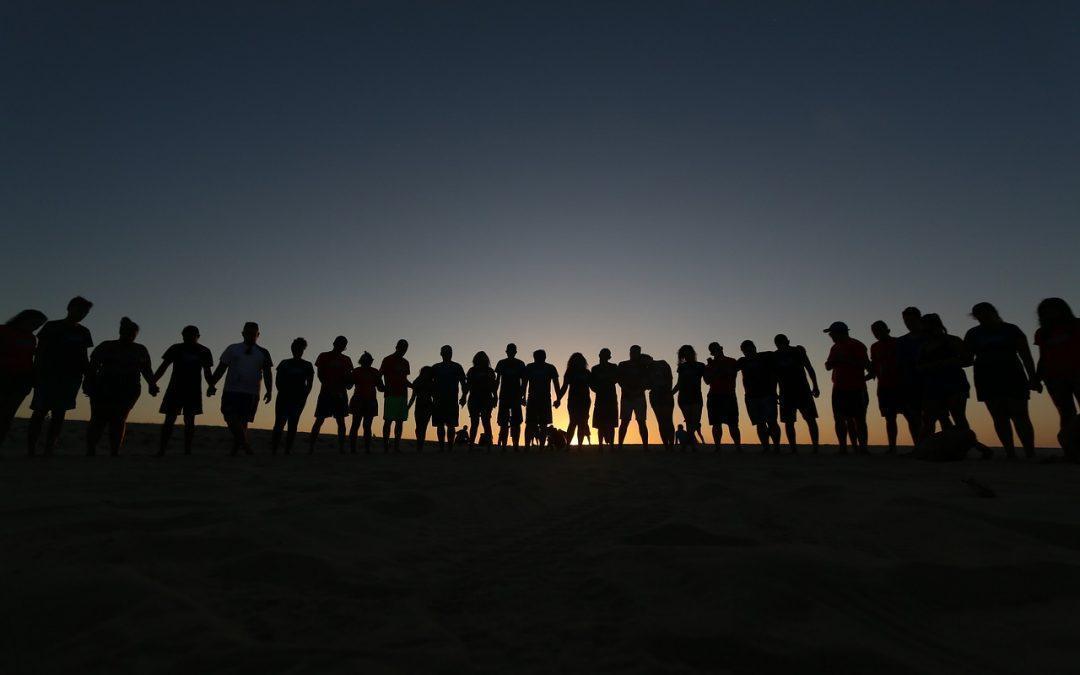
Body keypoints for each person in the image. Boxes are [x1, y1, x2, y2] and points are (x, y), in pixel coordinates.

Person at [964, 302, 1039, 459]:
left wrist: (1033, 377)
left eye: (986, 313)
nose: (983, 317)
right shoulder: (973, 333)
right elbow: (967, 358)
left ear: (994, 312)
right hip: (986, 378)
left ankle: (1030, 453)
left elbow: (1025, 355)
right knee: (999, 417)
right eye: (979, 314)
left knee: (1020, 415)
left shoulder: (1011, 330)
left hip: (1013, 376)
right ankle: (1010, 453)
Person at [28, 296, 93, 455]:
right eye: (79, 309)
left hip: (71, 378)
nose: (81, 313)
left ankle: (49, 448)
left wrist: (88, 377)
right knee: (40, 411)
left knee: (59, 413)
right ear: (69, 308)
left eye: (84, 312)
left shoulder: (83, 332)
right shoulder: (52, 326)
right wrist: (36, 373)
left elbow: (84, 356)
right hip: (48, 375)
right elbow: (40, 351)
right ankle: (31, 448)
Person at [84, 317, 158, 455]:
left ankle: (114, 451)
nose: (129, 336)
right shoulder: (106, 346)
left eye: (132, 334)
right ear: (120, 332)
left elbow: (146, 369)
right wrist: (88, 382)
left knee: (118, 419)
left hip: (128, 389)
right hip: (104, 387)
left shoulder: (140, 349)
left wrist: (152, 384)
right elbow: (93, 366)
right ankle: (91, 449)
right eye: (127, 333)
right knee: (99, 419)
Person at [209, 322, 273, 455]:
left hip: (251, 392)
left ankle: (235, 450)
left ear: (258, 335)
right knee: (230, 417)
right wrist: (212, 383)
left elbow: (267, 373)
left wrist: (269, 390)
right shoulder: (233, 349)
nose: (250, 336)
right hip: (231, 390)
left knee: (243, 422)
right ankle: (246, 446)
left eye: (253, 333)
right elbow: (221, 368)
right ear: (243, 333)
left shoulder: (263, 352)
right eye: (247, 333)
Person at [154, 325, 214, 456]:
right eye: (186, 336)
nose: (188, 338)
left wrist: (211, 385)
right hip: (175, 388)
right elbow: (163, 366)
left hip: (192, 390)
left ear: (197, 336)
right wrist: (153, 381)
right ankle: (162, 449)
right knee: (170, 419)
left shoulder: (204, 351)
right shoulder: (175, 348)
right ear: (182, 336)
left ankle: (187, 450)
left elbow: (207, 371)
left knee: (189, 420)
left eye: (191, 336)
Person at [1033, 297, 1080, 460]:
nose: (1049, 314)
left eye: (1053, 309)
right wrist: (1036, 378)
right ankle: (1070, 451)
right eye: (1045, 311)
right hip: (1054, 377)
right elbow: (1043, 357)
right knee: (1066, 413)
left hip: (1077, 373)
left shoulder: (1077, 326)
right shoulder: (1042, 333)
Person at [916, 314, 972, 439]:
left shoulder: (953, 341)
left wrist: (949, 362)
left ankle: (965, 445)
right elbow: (919, 367)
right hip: (933, 385)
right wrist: (931, 366)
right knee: (930, 418)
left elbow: (968, 360)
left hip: (955, 383)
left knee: (958, 416)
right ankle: (924, 448)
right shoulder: (924, 347)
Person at [0, 309, 47, 447]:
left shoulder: (31, 338)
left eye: (38, 325)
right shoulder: (3, 331)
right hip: (3, 376)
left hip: (21, 380)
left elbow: (29, 359)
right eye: (34, 323)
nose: (35, 327)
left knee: (7, 415)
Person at [824, 322, 871, 454]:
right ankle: (843, 447)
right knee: (839, 418)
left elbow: (867, 365)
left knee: (859, 419)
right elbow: (828, 366)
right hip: (839, 387)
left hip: (856, 388)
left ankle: (862, 448)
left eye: (832, 333)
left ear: (840, 333)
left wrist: (847, 361)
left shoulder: (857, 345)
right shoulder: (835, 348)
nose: (831, 336)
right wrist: (833, 362)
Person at [773, 334, 821, 453]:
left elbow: (809, 368)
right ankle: (795, 448)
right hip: (788, 392)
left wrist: (815, 385)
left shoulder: (798, 351)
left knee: (809, 419)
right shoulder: (776, 356)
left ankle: (813, 447)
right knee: (791, 421)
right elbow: (774, 376)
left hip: (801, 390)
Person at [309, 336, 354, 454]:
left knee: (341, 421)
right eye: (339, 343)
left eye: (343, 344)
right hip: (326, 393)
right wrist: (330, 387)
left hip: (340, 394)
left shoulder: (347, 360)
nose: (341, 345)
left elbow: (349, 378)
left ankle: (341, 448)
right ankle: (311, 447)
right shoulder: (323, 356)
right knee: (319, 420)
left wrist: (348, 383)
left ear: (344, 347)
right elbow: (320, 375)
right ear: (334, 343)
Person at [271, 338, 314, 454]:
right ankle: (274, 449)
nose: (297, 350)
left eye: (300, 348)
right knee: (279, 422)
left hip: (298, 398)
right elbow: (278, 381)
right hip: (284, 397)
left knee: (293, 423)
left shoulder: (307, 365)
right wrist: (284, 392)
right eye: (295, 348)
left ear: (303, 350)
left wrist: (304, 395)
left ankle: (287, 450)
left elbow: (310, 384)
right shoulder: (284, 363)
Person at [737, 340, 780, 452]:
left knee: (772, 422)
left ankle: (776, 446)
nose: (748, 351)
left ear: (754, 347)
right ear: (743, 351)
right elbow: (730, 369)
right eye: (745, 350)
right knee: (760, 423)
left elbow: (777, 361)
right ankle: (766, 447)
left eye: (749, 348)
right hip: (751, 396)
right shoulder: (742, 361)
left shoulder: (766, 356)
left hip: (768, 395)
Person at [868, 321, 904, 453]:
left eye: (879, 330)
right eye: (874, 331)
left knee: (910, 415)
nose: (877, 334)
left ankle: (918, 444)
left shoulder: (898, 343)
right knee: (889, 417)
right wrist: (868, 375)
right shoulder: (875, 347)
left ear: (886, 330)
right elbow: (874, 365)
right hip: (883, 386)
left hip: (900, 385)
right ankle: (892, 447)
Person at [894, 306, 926, 444]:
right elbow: (899, 365)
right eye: (906, 321)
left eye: (912, 320)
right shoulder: (901, 341)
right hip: (909, 383)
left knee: (940, 415)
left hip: (931, 382)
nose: (909, 323)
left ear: (919, 319)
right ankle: (918, 445)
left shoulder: (929, 338)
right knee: (912, 416)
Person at [705, 342, 741, 452]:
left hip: (728, 394)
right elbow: (707, 380)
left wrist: (717, 368)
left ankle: (738, 447)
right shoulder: (710, 365)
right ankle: (717, 447)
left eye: (717, 349)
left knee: (733, 423)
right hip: (715, 395)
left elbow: (732, 374)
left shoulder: (731, 361)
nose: (716, 351)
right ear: (712, 352)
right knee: (716, 423)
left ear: (721, 348)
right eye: (713, 350)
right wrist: (714, 369)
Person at [431, 345, 468, 451]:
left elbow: (463, 383)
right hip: (439, 399)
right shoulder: (436, 367)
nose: (447, 354)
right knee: (441, 425)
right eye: (445, 352)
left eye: (448, 352)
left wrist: (464, 396)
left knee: (449, 425)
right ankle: (443, 447)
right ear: (441, 354)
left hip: (451, 400)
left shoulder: (457, 367)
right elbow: (429, 382)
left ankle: (448, 447)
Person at [522, 349, 561, 448]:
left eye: (541, 357)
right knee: (531, 423)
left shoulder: (550, 368)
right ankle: (528, 446)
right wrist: (522, 396)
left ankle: (541, 447)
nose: (539, 359)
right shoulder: (529, 367)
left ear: (544, 357)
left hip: (544, 399)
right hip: (533, 399)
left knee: (542, 424)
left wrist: (558, 398)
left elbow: (556, 384)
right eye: (537, 357)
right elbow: (525, 383)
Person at [616, 345, 651, 451]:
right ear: (630, 352)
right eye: (632, 351)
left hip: (639, 396)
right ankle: (620, 446)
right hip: (627, 397)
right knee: (624, 422)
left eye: (636, 352)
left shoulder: (643, 366)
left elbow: (646, 380)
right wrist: (628, 390)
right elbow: (619, 380)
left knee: (641, 422)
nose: (633, 353)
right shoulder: (623, 365)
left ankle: (645, 446)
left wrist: (638, 391)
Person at [379, 339, 411, 452]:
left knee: (399, 421)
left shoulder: (405, 362)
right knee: (388, 420)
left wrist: (413, 386)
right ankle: (385, 446)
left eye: (405, 348)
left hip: (402, 395)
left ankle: (396, 446)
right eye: (402, 347)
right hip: (391, 394)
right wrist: (382, 387)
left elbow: (404, 379)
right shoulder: (387, 360)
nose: (404, 349)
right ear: (396, 346)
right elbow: (380, 374)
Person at [348, 351, 383, 453]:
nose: (368, 363)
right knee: (357, 425)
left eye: (369, 361)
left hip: (369, 401)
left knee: (365, 426)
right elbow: (349, 386)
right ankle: (354, 449)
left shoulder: (374, 372)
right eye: (366, 361)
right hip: (359, 400)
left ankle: (365, 449)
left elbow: (380, 388)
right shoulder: (357, 371)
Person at [673, 345, 706, 449]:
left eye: (689, 353)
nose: (687, 356)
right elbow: (679, 383)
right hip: (684, 397)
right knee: (689, 422)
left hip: (696, 397)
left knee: (695, 422)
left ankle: (689, 443)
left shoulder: (701, 366)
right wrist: (670, 394)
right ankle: (692, 446)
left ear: (692, 353)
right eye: (685, 354)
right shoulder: (682, 367)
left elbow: (707, 380)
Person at [494, 344, 526, 449]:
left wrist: (523, 396)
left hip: (515, 396)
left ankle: (515, 445)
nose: (511, 353)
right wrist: (494, 395)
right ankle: (504, 445)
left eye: (512, 351)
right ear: (507, 352)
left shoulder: (520, 364)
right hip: (504, 396)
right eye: (509, 351)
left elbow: (524, 382)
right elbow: (497, 380)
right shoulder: (501, 363)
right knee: (504, 423)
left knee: (516, 423)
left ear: (515, 352)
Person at [557, 352, 591, 448]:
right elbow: (564, 387)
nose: (578, 362)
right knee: (573, 422)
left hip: (585, 400)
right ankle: (568, 445)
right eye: (576, 360)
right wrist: (558, 399)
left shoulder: (587, 373)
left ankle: (580, 446)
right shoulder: (569, 372)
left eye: (579, 360)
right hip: (573, 401)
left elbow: (593, 386)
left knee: (582, 423)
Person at [465, 351, 497, 450]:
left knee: (484, 422)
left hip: (485, 398)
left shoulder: (489, 371)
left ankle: (487, 445)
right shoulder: (472, 371)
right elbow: (468, 385)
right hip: (475, 398)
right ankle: (472, 445)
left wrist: (495, 397)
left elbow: (493, 386)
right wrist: (463, 396)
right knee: (477, 422)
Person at [590, 348, 619, 449]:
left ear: (609, 357)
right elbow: (591, 384)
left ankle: (611, 445)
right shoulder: (595, 369)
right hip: (601, 398)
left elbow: (616, 379)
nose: (604, 357)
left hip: (610, 398)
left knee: (610, 424)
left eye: (606, 355)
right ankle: (601, 445)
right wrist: (598, 389)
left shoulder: (614, 367)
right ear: (599, 355)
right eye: (603, 354)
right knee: (600, 424)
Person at [648, 357, 675, 449]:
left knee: (667, 420)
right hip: (656, 395)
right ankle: (666, 445)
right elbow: (647, 384)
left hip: (665, 393)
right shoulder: (646, 368)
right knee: (661, 421)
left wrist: (668, 392)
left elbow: (669, 378)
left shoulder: (662, 363)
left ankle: (670, 444)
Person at [407, 366, 435, 451]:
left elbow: (434, 396)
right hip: (419, 406)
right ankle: (419, 443)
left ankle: (420, 446)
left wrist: (434, 406)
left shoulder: (431, 383)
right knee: (419, 427)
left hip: (428, 406)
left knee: (423, 427)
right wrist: (408, 407)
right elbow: (413, 396)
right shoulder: (417, 381)